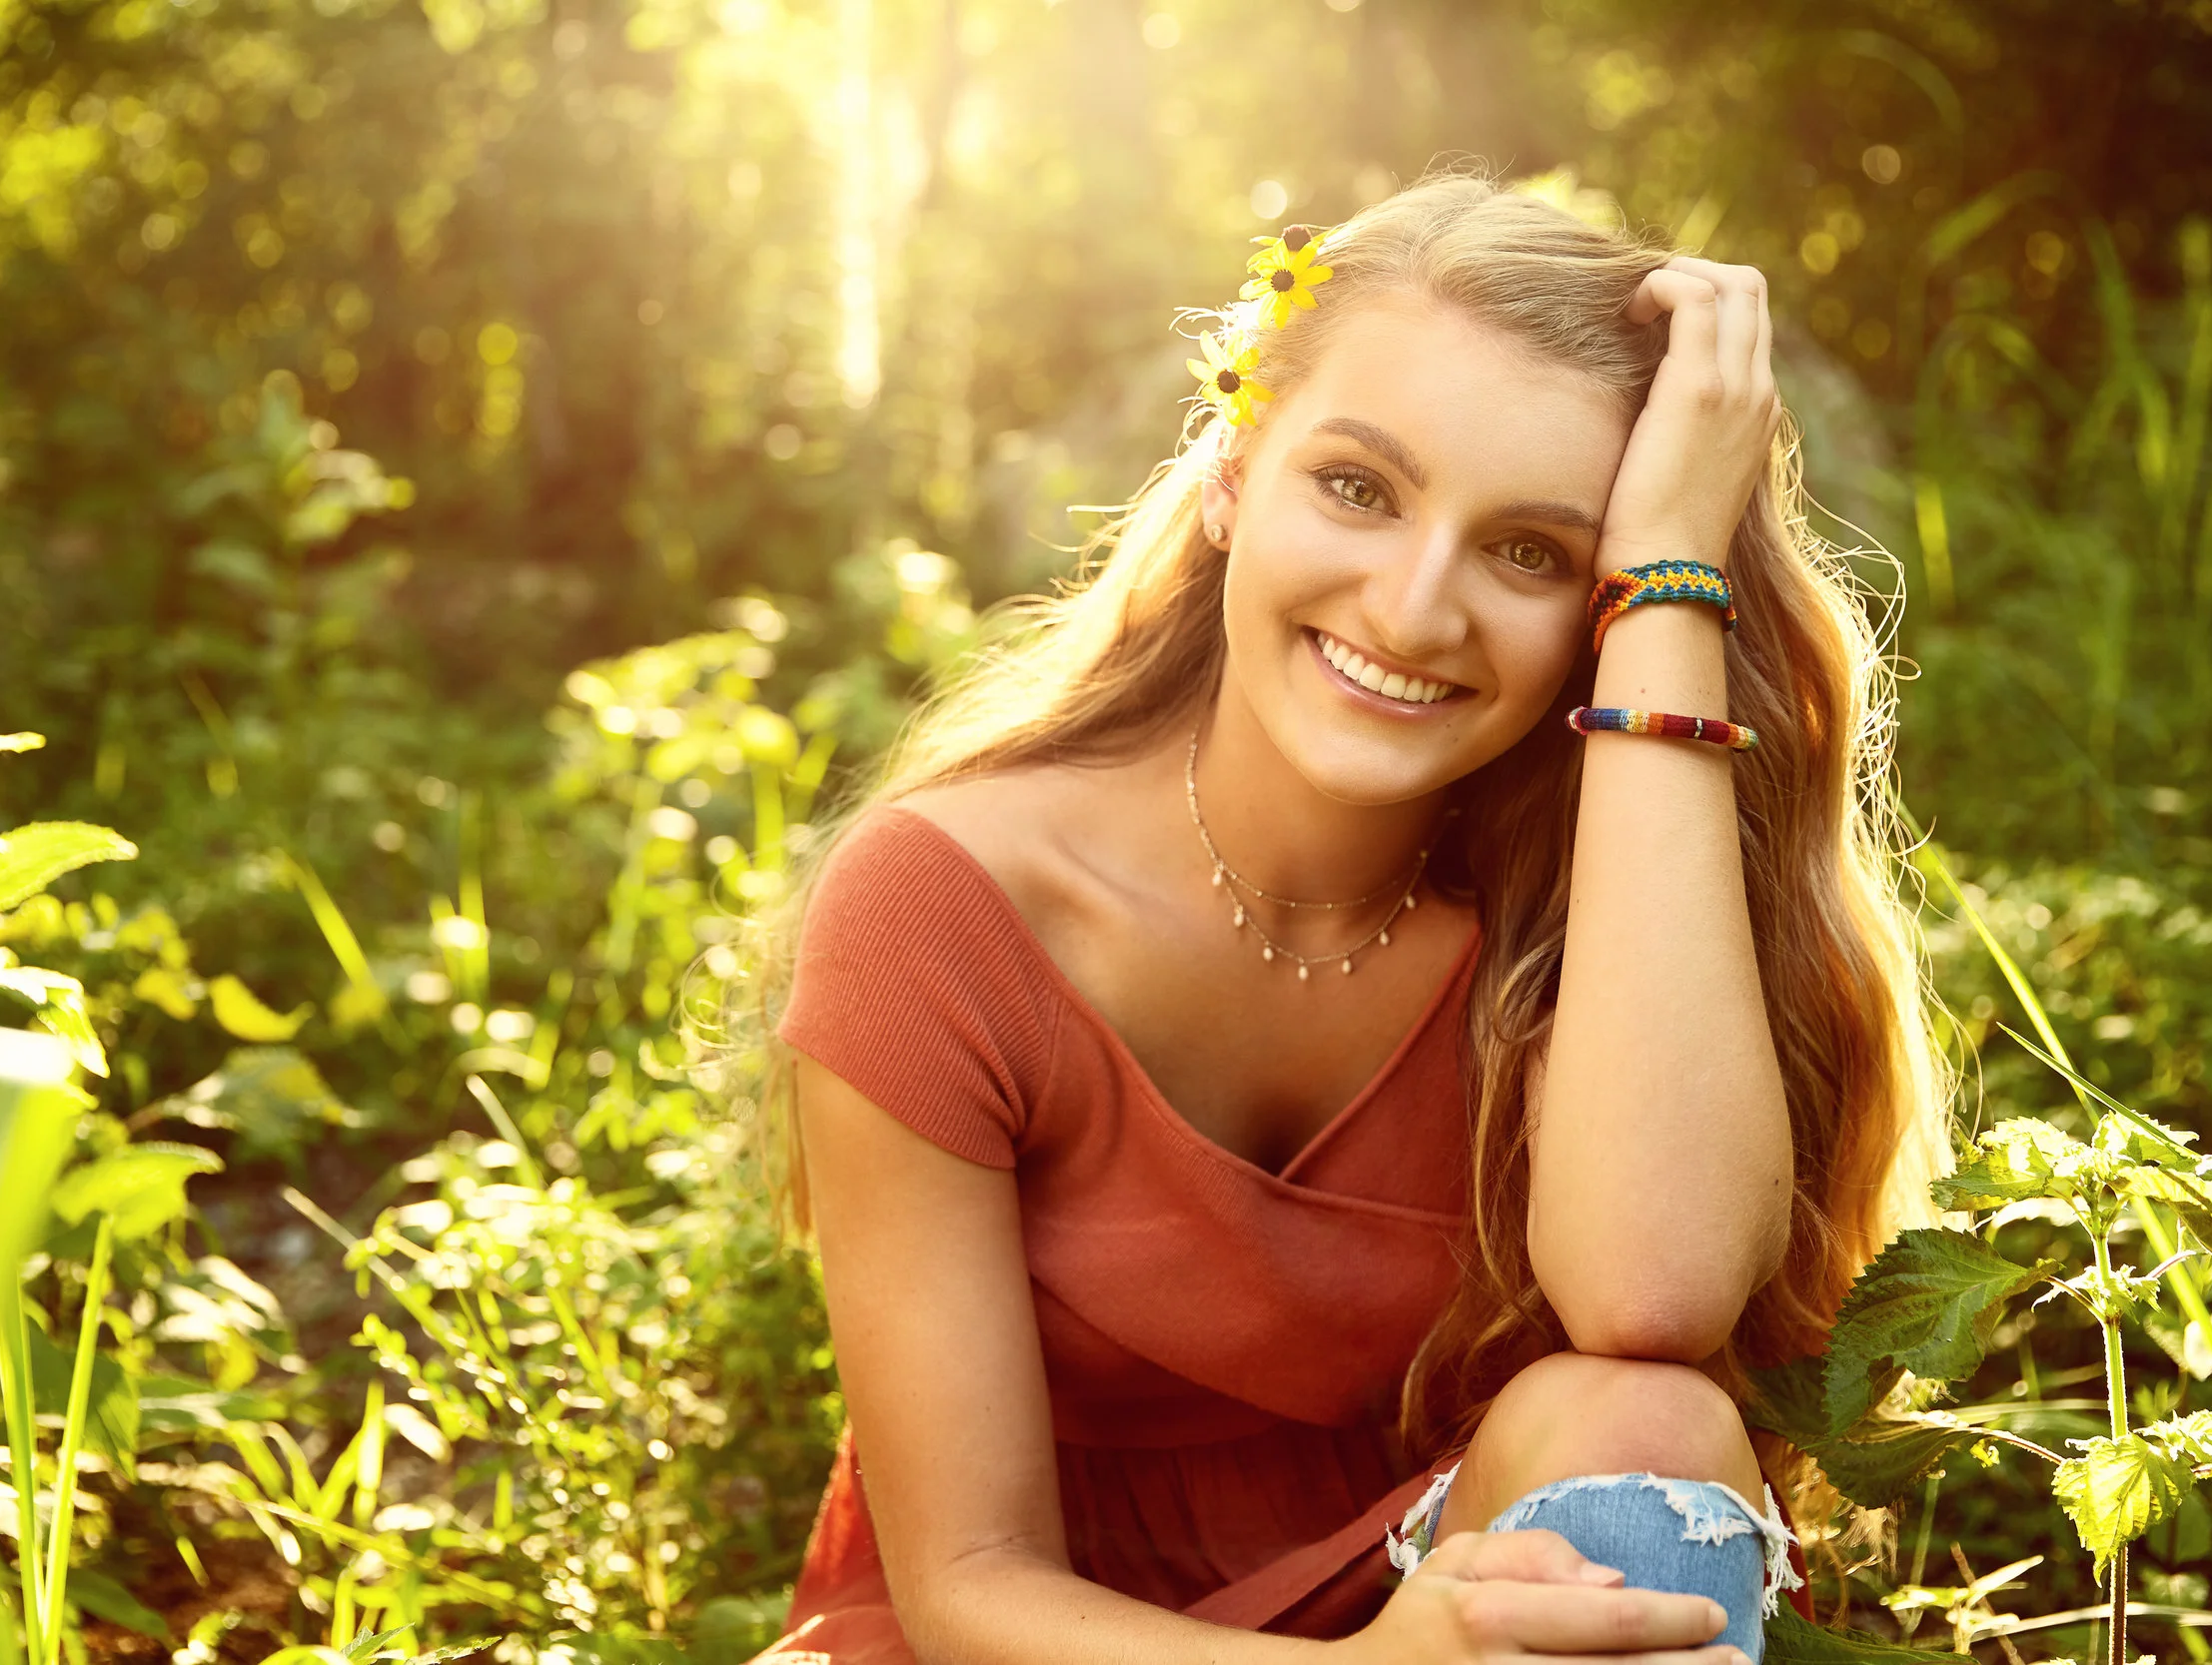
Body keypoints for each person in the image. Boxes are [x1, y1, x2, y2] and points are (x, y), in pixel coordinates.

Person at [742, 168, 1945, 1664]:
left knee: (1643, 1410)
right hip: (1035, 1642)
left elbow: (1655, 1288)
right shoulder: (949, 905)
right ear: (1236, 473)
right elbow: (968, 1578)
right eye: (1359, 488)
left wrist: (1673, 584)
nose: (1413, 607)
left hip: (1433, 1592)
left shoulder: (1592, 888)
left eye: (1533, 552)